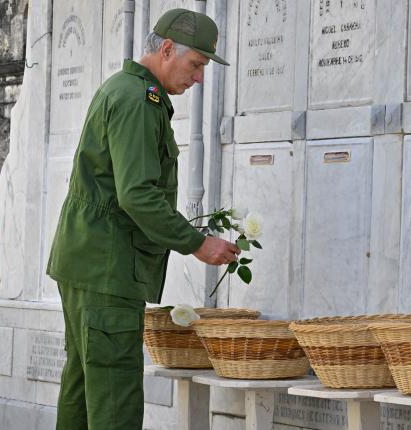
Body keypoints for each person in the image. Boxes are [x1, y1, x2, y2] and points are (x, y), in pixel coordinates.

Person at [46, 8, 238, 430]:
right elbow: (137, 194)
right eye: (196, 65)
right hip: (107, 268)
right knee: (114, 398)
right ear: (167, 49)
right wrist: (197, 242)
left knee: (82, 388)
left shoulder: (126, 89)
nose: (199, 77)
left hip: (88, 262)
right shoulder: (138, 100)